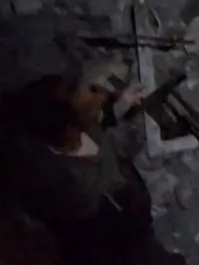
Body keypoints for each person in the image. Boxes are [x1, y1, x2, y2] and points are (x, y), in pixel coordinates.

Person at [0, 73, 184, 265]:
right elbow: (105, 224)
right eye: (92, 102)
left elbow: (97, 124)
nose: (102, 97)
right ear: (70, 127)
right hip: (118, 243)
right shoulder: (73, 188)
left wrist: (117, 109)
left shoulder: (76, 131)